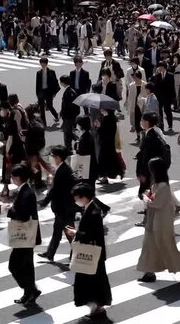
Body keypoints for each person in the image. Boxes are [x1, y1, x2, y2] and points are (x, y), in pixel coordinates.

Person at [136, 158, 180, 283]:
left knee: (166, 246)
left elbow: (155, 203)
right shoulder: (158, 184)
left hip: (161, 222)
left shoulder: (162, 186)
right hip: (155, 220)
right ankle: (149, 272)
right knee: (149, 246)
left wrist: (145, 197)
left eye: (151, 168)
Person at [67, 183, 112, 321]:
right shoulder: (90, 209)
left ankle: (98, 308)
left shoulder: (93, 212)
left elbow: (92, 234)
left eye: (76, 197)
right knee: (94, 281)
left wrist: (75, 233)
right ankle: (97, 307)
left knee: (94, 281)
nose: (75, 200)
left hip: (93, 253)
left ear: (83, 197)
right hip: (93, 252)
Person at [7, 164, 42, 305]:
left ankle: (30, 290)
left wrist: (9, 210)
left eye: (12, 176)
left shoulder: (26, 193)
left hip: (26, 234)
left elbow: (23, 216)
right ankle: (30, 290)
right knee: (25, 265)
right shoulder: (25, 190)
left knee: (16, 265)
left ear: (18, 178)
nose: (11, 179)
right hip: (25, 234)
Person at [38, 145, 77, 261]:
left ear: (59, 158)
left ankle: (77, 253)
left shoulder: (62, 171)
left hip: (64, 208)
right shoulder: (63, 168)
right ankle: (50, 254)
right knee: (57, 232)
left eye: (53, 156)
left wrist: (44, 202)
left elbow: (55, 190)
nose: (51, 158)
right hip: (63, 208)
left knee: (69, 233)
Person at [95, 109, 122, 184]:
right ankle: (113, 173)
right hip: (111, 143)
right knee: (111, 159)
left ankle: (104, 176)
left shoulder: (106, 119)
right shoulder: (113, 118)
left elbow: (102, 131)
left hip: (105, 143)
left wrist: (98, 126)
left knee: (103, 160)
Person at [74, 116, 99, 190]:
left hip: (86, 169)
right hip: (92, 167)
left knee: (87, 191)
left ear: (80, 126)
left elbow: (80, 155)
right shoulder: (90, 136)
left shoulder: (83, 140)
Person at [35, 57, 60, 126]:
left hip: (49, 91)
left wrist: (54, 92)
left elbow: (55, 82)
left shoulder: (51, 72)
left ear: (46, 64)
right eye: (41, 63)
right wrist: (37, 93)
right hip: (41, 91)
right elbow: (37, 84)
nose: (42, 65)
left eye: (44, 63)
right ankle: (44, 123)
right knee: (41, 108)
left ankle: (56, 116)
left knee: (49, 106)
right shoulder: (39, 73)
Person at [59, 75, 81, 152]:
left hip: (68, 116)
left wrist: (63, 114)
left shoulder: (69, 92)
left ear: (63, 82)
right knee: (67, 133)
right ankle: (69, 147)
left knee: (67, 133)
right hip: (70, 116)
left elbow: (68, 105)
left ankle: (69, 148)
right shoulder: (71, 91)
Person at [152, 62, 175, 132]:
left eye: (161, 67)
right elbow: (154, 86)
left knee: (168, 111)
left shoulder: (170, 75)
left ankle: (170, 126)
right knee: (160, 112)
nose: (160, 68)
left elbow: (172, 87)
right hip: (159, 96)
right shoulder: (157, 76)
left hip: (167, 96)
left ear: (165, 67)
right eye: (159, 67)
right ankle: (161, 125)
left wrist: (173, 97)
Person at [126, 71, 146, 141]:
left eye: (136, 77)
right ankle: (138, 135)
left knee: (143, 120)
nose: (135, 79)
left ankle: (143, 133)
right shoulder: (131, 85)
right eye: (134, 77)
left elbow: (146, 95)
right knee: (136, 120)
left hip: (142, 105)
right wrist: (128, 103)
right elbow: (129, 96)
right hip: (134, 105)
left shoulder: (144, 84)